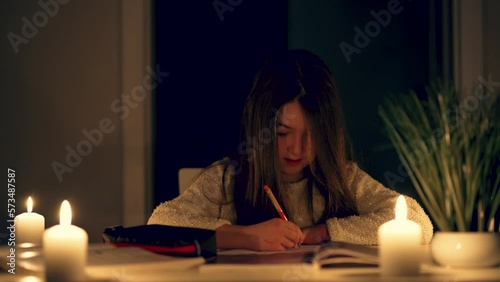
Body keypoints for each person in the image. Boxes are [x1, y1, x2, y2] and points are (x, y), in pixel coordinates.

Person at [148, 49, 433, 251]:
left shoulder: (342, 178)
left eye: (312, 136)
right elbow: (160, 222)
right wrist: (247, 237)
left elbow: (418, 221)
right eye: (282, 133)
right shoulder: (230, 177)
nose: (297, 149)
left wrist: (321, 233)